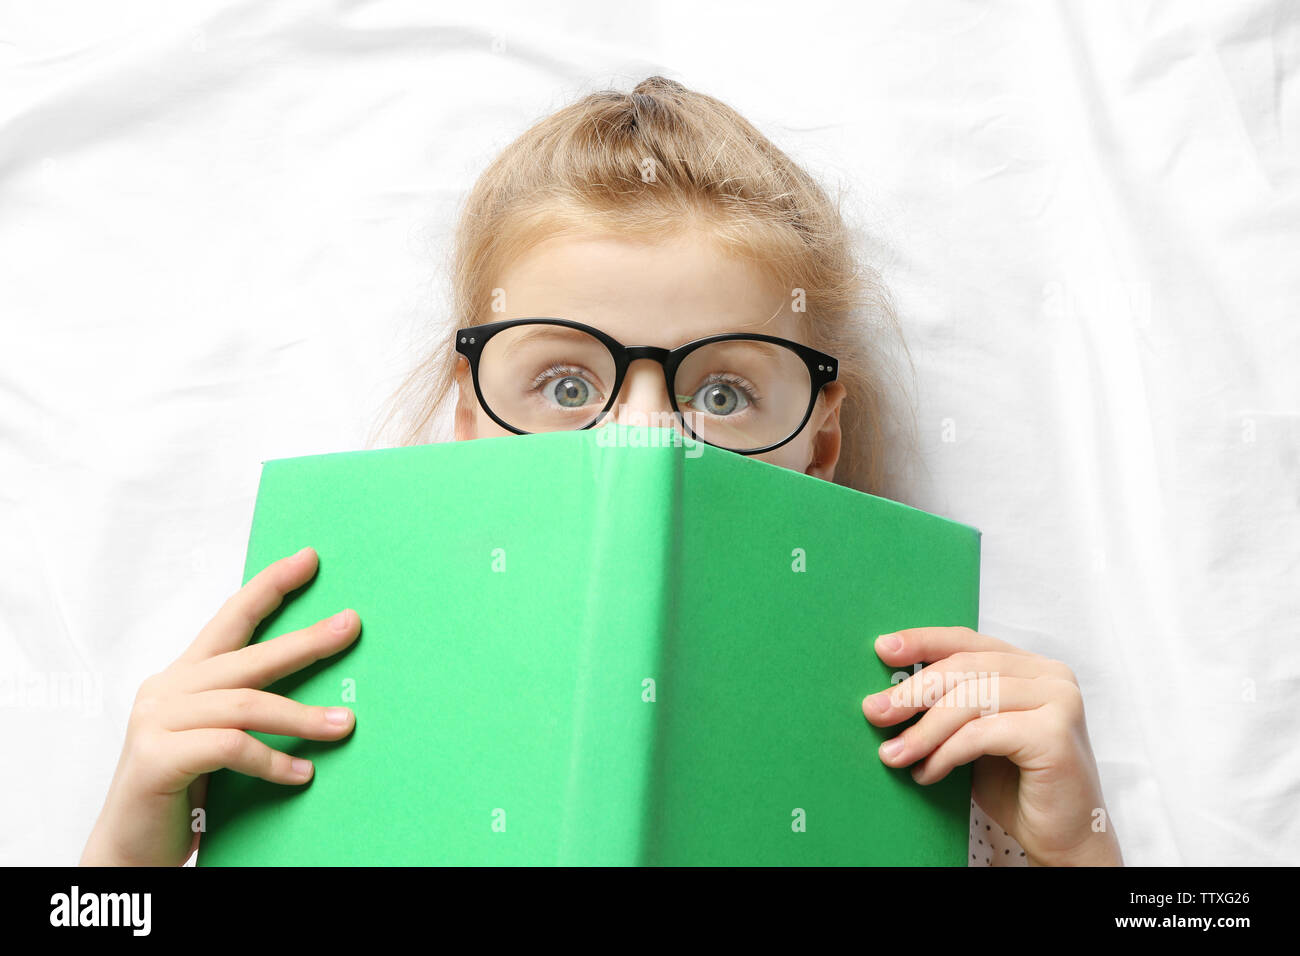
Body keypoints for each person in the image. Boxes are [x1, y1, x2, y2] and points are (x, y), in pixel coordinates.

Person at [80, 75, 1122, 867]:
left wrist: (1081, 846)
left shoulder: (945, 752)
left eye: (721, 394)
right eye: (567, 386)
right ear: (466, 409)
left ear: (819, 439)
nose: (640, 437)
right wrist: (128, 847)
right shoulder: (281, 698)